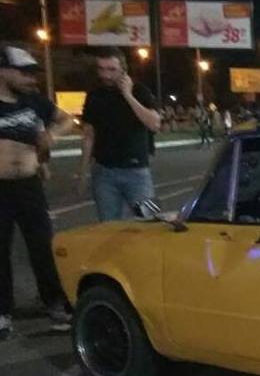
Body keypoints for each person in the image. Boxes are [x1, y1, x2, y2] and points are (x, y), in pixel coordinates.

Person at [0, 45, 74, 340]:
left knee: (43, 247)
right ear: (3, 71)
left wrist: (51, 135)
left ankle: (54, 303)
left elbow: (67, 120)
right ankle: (3, 312)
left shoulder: (34, 101)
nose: (31, 79)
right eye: (24, 73)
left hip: (29, 186)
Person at [78, 47, 162, 220]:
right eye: (101, 69)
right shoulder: (94, 95)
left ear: (124, 70)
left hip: (137, 171)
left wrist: (128, 96)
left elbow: (154, 124)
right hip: (104, 172)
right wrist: (83, 173)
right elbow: (88, 136)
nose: (106, 75)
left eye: (112, 70)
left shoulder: (140, 91)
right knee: (109, 225)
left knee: (148, 221)